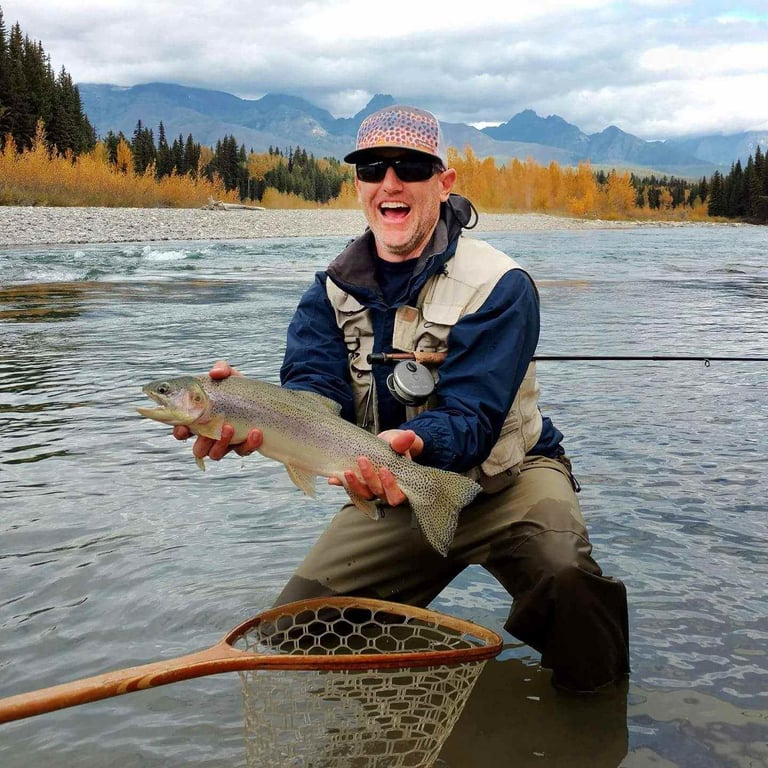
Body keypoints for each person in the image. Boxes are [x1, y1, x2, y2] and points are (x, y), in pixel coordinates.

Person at [176, 105, 630, 693]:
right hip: (389, 483)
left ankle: (594, 722)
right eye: (372, 168)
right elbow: (315, 392)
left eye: (411, 167)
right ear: (359, 186)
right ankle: (391, 697)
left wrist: (416, 441)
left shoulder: (501, 284)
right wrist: (248, 412)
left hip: (510, 478)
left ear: (443, 184)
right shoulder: (329, 292)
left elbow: (473, 418)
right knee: (298, 630)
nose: (390, 183)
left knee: (570, 583)